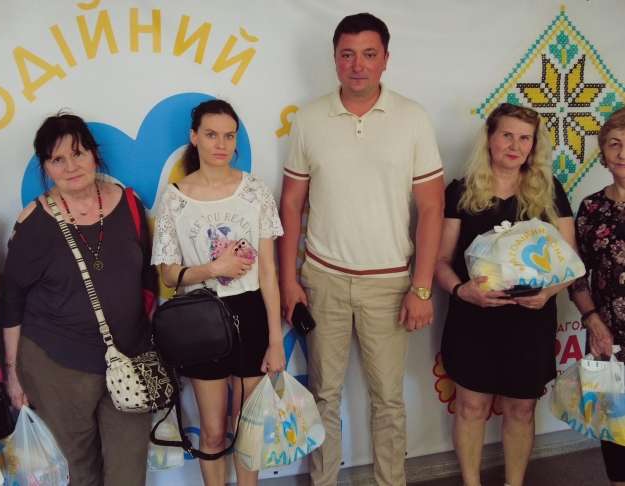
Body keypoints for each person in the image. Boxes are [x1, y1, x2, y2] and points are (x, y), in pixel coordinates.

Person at [278, 12, 444, 486]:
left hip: (389, 284)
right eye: (347, 54)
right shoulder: (309, 118)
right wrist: (289, 280)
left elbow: (431, 208)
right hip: (322, 280)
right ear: (334, 59)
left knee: (388, 399)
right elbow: (291, 204)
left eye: (369, 54)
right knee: (323, 397)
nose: (358, 65)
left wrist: (422, 288)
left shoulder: (413, 118)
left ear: (385, 59)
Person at [0, 113, 156, 486]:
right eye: (58, 159)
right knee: (78, 471)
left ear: (94, 155)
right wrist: (13, 373)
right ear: (45, 167)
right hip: (57, 367)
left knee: (128, 471)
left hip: (129, 358)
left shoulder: (130, 204)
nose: (71, 167)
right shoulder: (34, 221)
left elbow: (148, 279)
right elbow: (11, 300)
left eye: (78, 153)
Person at [434, 103, 575, 486]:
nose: (515, 146)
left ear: (534, 145)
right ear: (490, 139)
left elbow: (570, 262)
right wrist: (462, 291)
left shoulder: (550, 191)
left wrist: (547, 294)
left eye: (524, 138)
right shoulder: (461, 191)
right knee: (471, 407)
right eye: (507, 135)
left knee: (521, 410)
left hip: (530, 321)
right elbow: (440, 261)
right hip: (473, 319)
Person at [152, 99, 285, 486]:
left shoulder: (255, 191)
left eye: (229, 136)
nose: (221, 144)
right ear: (194, 137)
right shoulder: (175, 197)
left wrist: (275, 339)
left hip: (251, 312)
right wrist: (213, 269)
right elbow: (168, 274)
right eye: (211, 135)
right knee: (212, 432)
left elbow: (269, 271)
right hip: (200, 318)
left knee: (248, 427)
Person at [570, 106, 625, 486]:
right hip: (609, 336)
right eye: (614, 144)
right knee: (615, 425)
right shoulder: (591, 208)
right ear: (603, 152)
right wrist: (592, 320)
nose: (622, 153)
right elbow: (577, 275)